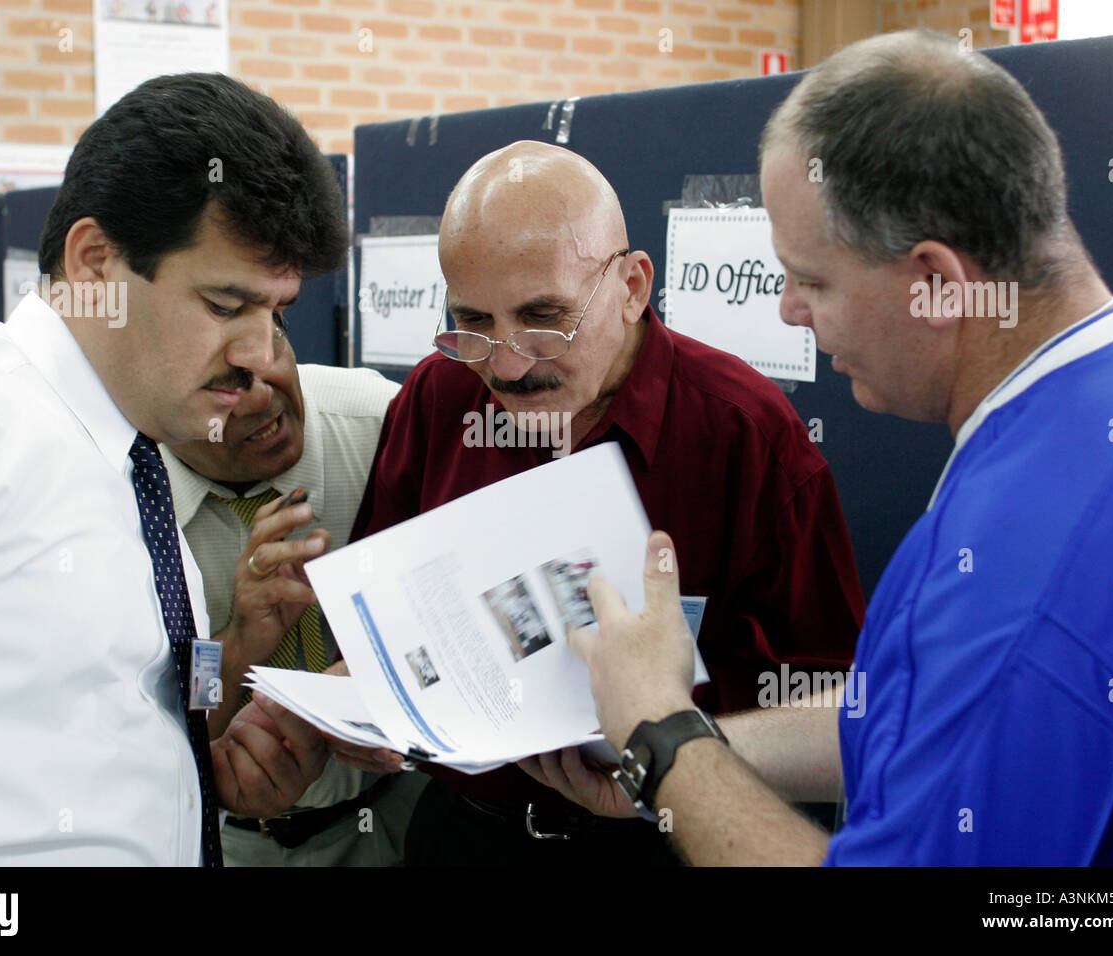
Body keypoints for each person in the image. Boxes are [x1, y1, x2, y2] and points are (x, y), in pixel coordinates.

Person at [525, 29, 1113, 866]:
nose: (789, 309)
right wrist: (703, 746)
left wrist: (662, 736)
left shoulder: (1024, 571)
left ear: (937, 280)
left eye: (812, 279)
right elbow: (932, 713)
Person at [0, 73, 347, 865]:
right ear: (95, 263)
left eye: (278, 314)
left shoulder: (139, 465)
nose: (262, 357)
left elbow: (145, 700)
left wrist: (227, 719)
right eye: (227, 306)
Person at [350, 140, 866, 865]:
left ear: (631, 286)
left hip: (661, 840)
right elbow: (382, 598)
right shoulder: (440, 396)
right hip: (465, 832)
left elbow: (836, 694)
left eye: (542, 320)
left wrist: (675, 739)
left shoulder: (744, 431)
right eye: (474, 324)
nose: (506, 364)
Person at [160, 326, 428, 865]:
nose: (263, 395)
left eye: (272, 349)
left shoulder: (385, 424)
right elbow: (153, 718)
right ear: (161, 408)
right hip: (226, 839)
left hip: (403, 817)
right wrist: (235, 647)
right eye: (224, 385)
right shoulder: (123, 497)